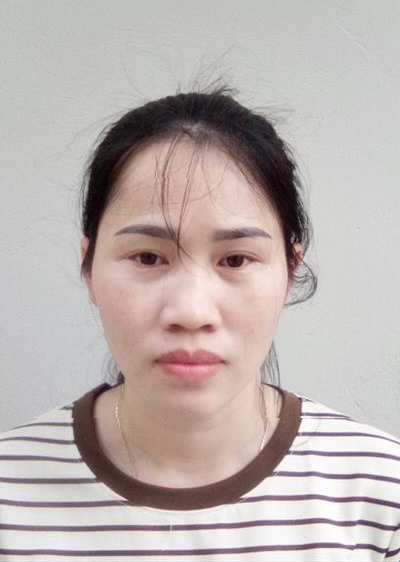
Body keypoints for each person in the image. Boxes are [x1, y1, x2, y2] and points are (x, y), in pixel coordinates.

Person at [0, 88, 399, 561]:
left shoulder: (381, 496)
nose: (190, 312)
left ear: (290, 272)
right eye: (148, 257)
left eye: (236, 259)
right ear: (89, 267)